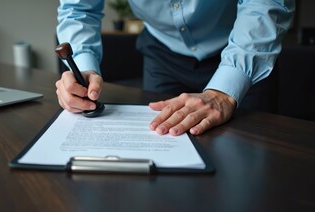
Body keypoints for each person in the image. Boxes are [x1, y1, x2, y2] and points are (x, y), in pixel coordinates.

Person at [55, 0, 295, 136]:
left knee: (248, 166)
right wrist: (84, 68)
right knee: (162, 137)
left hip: (243, 53)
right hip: (162, 54)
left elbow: (264, 4)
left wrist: (225, 89)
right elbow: (78, 10)